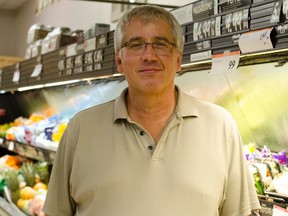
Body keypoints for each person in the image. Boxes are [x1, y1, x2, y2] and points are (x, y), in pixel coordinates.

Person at [43, 5, 261, 216]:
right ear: (119, 59)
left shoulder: (221, 125)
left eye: (161, 44)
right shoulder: (81, 129)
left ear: (178, 59)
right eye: (136, 45)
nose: (149, 55)